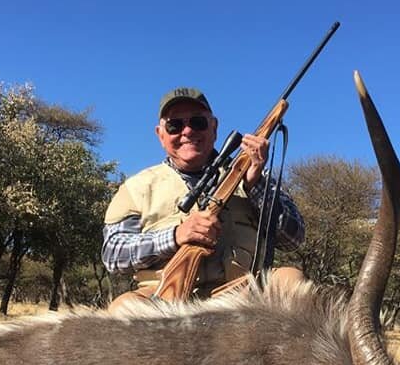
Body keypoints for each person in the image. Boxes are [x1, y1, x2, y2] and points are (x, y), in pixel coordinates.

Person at [102, 87, 305, 309]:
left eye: (198, 123)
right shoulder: (137, 187)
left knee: (291, 281)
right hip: (162, 298)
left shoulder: (254, 174)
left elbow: (293, 239)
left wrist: (255, 185)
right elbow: (113, 254)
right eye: (174, 125)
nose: (187, 131)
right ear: (160, 134)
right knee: (123, 308)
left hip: (242, 294)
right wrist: (176, 236)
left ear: (214, 128)